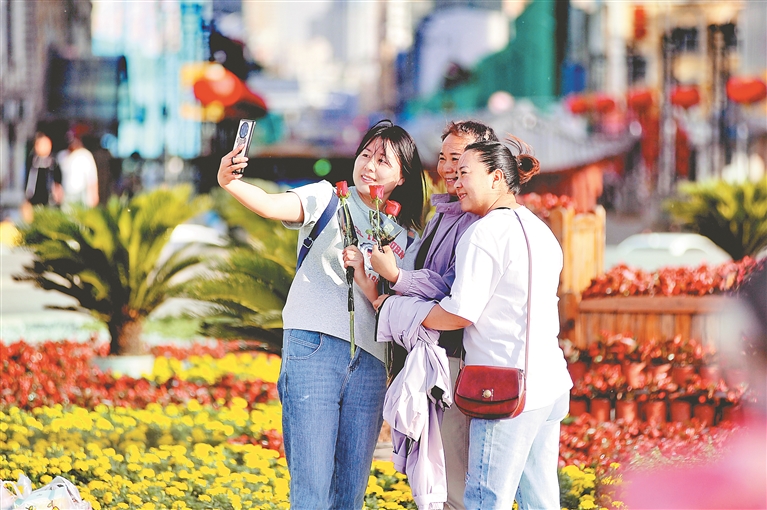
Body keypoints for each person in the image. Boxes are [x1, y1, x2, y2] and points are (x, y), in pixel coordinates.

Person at [217, 119, 426, 509]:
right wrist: (230, 182)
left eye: (383, 161)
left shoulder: (406, 239)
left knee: (350, 493)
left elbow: (400, 307)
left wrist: (373, 277)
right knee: (311, 488)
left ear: (402, 177)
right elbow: (272, 204)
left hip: (370, 363)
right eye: (366, 154)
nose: (369, 165)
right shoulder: (327, 197)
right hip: (313, 348)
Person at [376, 137, 572, 509]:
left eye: (465, 172)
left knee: (485, 500)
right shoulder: (539, 228)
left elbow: (459, 313)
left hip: (506, 389)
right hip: (550, 385)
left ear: (496, 177)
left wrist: (395, 309)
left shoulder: (484, 232)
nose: (457, 181)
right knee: (540, 502)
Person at [365, 120, 498, 509]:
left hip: (454, 360)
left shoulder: (478, 221)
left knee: (450, 477)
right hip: (430, 353)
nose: (448, 169)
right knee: (433, 476)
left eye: (459, 159)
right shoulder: (441, 214)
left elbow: (453, 292)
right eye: (443, 158)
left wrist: (398, 279)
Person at [22, 132, 63, 222]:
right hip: (34, 199)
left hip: (50, 200)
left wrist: (58, 194)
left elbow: (58, 181)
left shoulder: (53, 163)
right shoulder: (31, 162)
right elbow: (27, 181)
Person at [58, 131, 99, 207]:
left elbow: (92, 178)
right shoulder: (62, 156)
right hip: (67, 194)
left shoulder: (85, 155)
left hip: (82, 193)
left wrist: (94, 195)